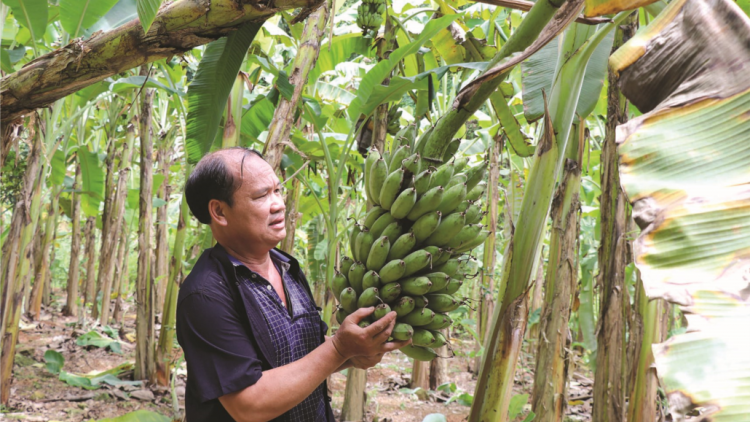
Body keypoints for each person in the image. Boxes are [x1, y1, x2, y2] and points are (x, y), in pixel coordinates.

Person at [176, 146, 410, 422]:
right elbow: (248, 404)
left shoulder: (287, 267)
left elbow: (302, 351)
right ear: (219, 211)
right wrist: (338, 349)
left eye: (277, 190)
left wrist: (353, 353)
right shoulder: (205, 295)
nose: (279, 204)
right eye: (262, 195)